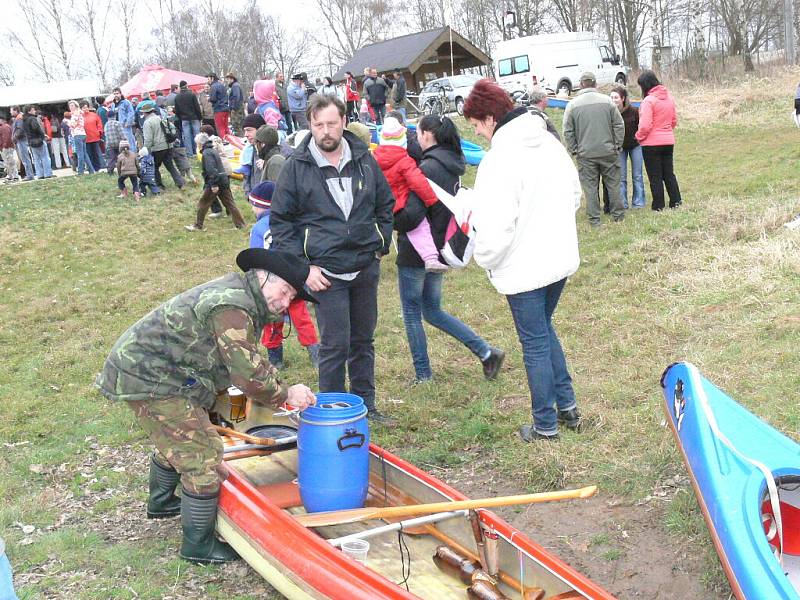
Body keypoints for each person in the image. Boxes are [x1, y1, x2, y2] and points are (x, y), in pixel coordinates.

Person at [95, 247, 317, 564]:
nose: (284, 304)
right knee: (202, 455)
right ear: (264, 276)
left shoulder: (242, 297)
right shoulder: (234, 305)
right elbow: (247, 375)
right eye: (284, 292)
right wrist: (286, 394)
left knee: (180, 437)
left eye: (291, 299)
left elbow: (246, 359)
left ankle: (162, 502)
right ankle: (198, 547)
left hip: (161, 373)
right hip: (152, 377)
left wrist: (277, 383)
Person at [463, 79, 582, 441]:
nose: (478, 134)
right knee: (543, 331)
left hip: (524, 268)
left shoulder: (499, 160)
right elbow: (575, 195)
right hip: (557, 258)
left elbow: (496, 229)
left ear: (489, 118)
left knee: (534, 342)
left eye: (476, 126)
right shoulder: (548, 142)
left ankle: (545, 425)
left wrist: (482, 256)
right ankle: (568, 408)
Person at [271, 94, 394, 423]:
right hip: (324, 272)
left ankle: (366, 405)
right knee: (335, 345)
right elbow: (281, 223)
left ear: (343, 122)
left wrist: (380, 242)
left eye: (331, 123)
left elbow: (385, 203)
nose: (326, 131)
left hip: (365, 265)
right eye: (318, 124)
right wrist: (302, 269)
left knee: (363, 341)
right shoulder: (296, 167)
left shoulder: (364, 159)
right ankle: (332, 411)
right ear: (309, 124)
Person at [393, 113, 505, 384]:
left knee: (412, 313)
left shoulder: (426, 169)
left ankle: (423, 375)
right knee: (431, 310)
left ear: (428, 135)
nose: (416, 138)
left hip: (417, 251)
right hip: (442, 246)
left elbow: (412, 215)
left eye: (418, 133)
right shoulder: (452, 163)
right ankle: (486, 351)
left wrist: (390, 216)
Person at [248, 181, 320, 369]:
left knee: (271, 320)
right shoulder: (291, 222)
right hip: (294, 278)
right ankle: (316, 354)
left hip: (270, 285)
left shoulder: (259, 229)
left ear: (261, 205)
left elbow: (256, 258)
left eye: (253, 205)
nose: (252, 209)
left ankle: (275, 359)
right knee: (301, 317)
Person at [374, 117, 448, 273]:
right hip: (401, 203)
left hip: (381, 206)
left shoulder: (374, 159)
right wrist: (431, 200)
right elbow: (418, 182)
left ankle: (377, 253)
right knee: (420, 227)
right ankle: (430, 258)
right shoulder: (404, 160)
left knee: (379, 230)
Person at [562, 71, 625, 227]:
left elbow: (567, 131)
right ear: (595, 84)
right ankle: (618, 216)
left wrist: (574, 149)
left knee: (590, 187)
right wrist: (617, 145)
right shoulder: (608, 102)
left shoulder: (572, 105)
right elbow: (619, 124)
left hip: (585, 154)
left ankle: (594, 220)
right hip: (608, 151)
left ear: (581, 84)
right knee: (613, 184)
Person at [635, 70, 682, 211]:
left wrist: (638, 137)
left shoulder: (648, 101)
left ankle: (658, 205)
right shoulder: (669, 99)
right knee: (669, 173)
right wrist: (666, 130)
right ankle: (676, 201)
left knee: (655, 176)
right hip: (668, 141)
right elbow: (674, 121)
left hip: (651, 144)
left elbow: (645, 125)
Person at [185, 131, 245, 231]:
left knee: (203, 203)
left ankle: (198, 226)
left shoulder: (206, 153)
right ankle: (241, 225)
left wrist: (214, 185)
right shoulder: (212, 150)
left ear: (200, 143)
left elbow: (211, 169)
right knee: (230, 203)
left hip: (215, 182)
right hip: (223, 179)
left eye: (197, 143)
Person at [609, 86, 645, 210]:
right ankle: (623, 203)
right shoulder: (610, 113)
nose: (614, 100)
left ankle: (638, 202)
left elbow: (642, 126)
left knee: (637, 175)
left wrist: (639, 138)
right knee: (621, 177)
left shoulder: (634, 111)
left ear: (623, 98)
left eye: (616, 97)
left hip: (635, 146)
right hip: (620, 148)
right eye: (611, 97)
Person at [140, 100, 185, 190]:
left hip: (157, 148)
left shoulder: (147, 123)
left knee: (155, 167)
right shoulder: (161, 118)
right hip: (168, 145)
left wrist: (145, 150)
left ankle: (159, 185)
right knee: (170, 166)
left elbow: (148, 139)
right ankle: (181, 183)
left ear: (145, 113)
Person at [22, 105, 52, 179]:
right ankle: (47, 173)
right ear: (29, 111)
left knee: (36, 159)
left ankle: (40, 174)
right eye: (33, 110)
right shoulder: (32, 119)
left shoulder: (24, 120)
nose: (34, 111)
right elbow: (36, 128)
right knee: (45, 157)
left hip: (31, 141)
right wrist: (43, 135)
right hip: (38, 139)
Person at [174, 81, 203, 156]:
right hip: (194, 118)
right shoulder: (192, 94)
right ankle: (198, 151)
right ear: (186, 86)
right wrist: (200, 117)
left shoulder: (177, 97)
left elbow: (176, 110)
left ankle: (189, 153)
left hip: (184, 119)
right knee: (197, 135)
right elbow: (197, 107)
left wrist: (181, 117)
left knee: (187, 136)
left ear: (180, 87)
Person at [11, 107, 34, 180]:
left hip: (21, 140)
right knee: (25, 159)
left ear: (16, 110)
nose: (10, 112)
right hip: (21, 140)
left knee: (25, 159)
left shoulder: (19, 118)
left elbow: (20, 130)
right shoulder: (19, 117)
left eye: (11, 111)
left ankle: (30, 175)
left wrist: (14, 137)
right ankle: (29, 174)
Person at [82, 102, 105, 172]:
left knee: (96, 153)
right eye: (83, 108)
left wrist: (99, 132)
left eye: (86, 107)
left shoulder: (94, 115)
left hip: (95, 137)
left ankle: (98, 167)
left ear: (88, 107)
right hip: (86, 138)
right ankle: (91, 168)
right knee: (89, 154)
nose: (85, 109)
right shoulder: (80, 117)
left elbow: (99, 124)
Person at [208, 74, 231, 138]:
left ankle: (223, 142)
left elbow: (213, 99)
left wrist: (209, 99)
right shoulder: (222, 85)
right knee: (226, 127)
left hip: (218, 109)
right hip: (225, 108)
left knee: (220, 128)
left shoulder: (213, 86)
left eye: (208, 79)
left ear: (212, 78)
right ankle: (230, 141)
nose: (208, 81)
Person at [104, 109, 126, 175]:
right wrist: (125, 140)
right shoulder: (117, 123)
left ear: (107, 117)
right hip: (118, 143)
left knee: (111, 158)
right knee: (121, 157)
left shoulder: (106, 124)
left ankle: (110, 171)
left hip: (109, 144)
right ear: (115, 116)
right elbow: (122, 134)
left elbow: (105, 135)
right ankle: (122, 170)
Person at [0, 116, 19, 182]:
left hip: (6, 147)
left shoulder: (5, 127)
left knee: (10, 162)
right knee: (7, 162)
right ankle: (11, 176)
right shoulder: (4, 127)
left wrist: (4, 146)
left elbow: (7, 138)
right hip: (5, 147)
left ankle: (15, 176)